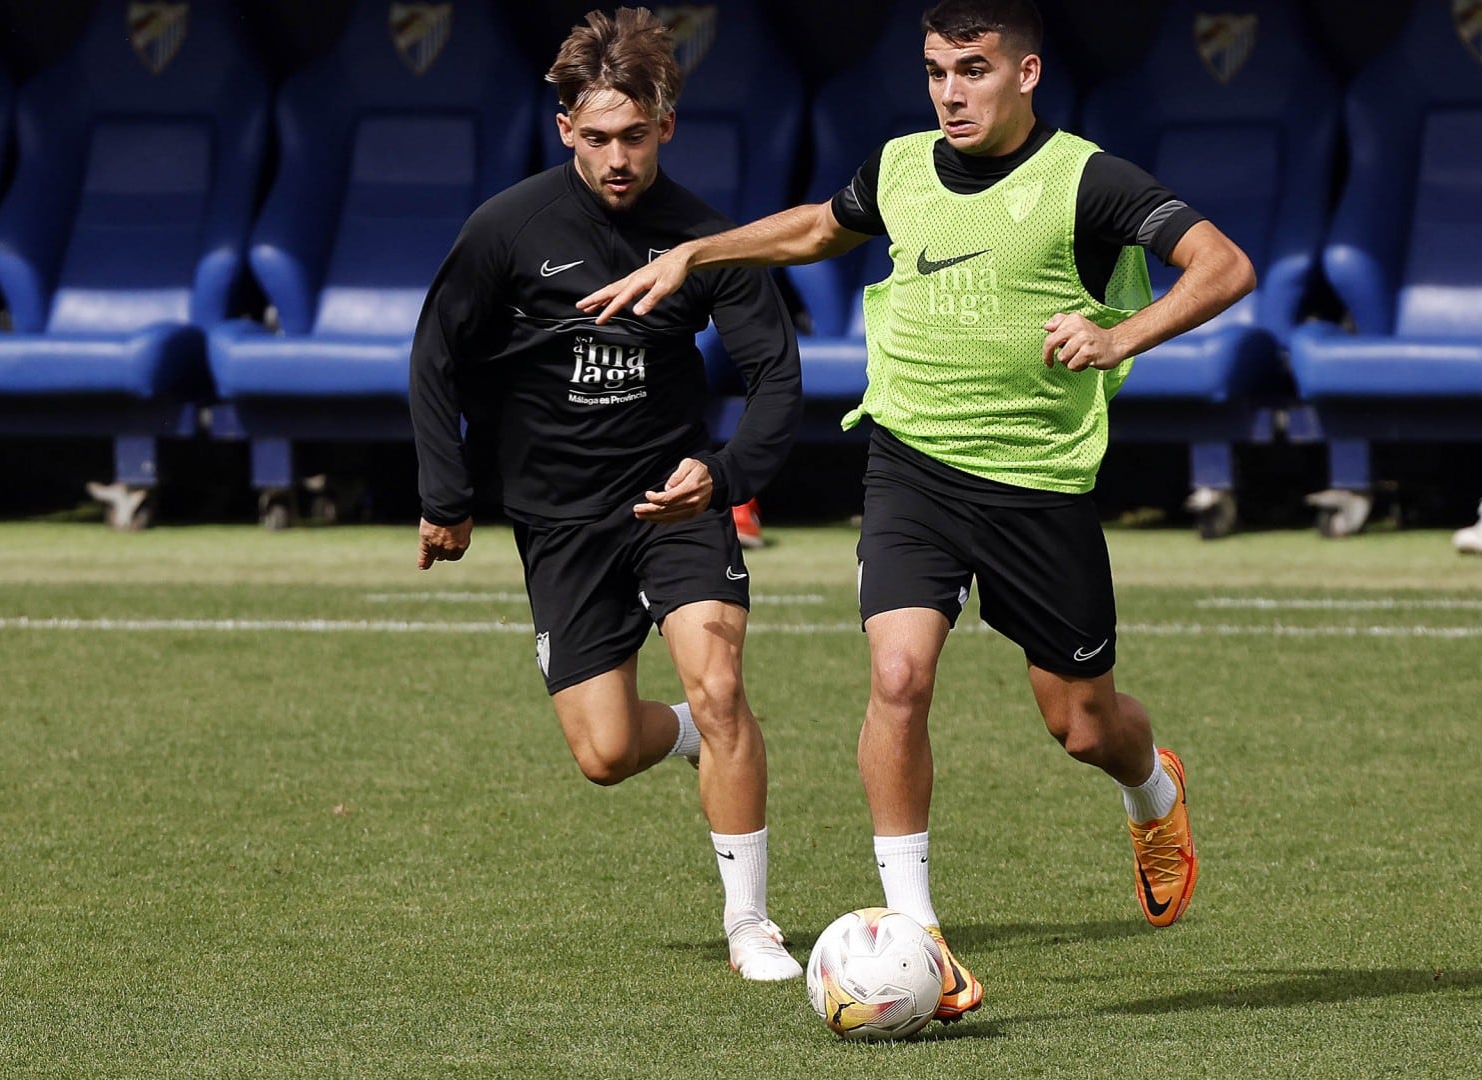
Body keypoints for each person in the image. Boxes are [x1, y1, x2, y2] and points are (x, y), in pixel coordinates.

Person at [580, 0, 1255, 1019]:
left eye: (974, 70)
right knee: (897, 676)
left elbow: (1226, 265)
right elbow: (818, 226)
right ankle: (921, 937)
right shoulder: (900, 167)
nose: (951, 91)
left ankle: (1152, 788)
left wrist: (1124, 338)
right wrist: (696, 254)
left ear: (1025, 74)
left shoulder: (1089, 179)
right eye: (938, 70)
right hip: (912, 466)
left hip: (1037, 484)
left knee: (1081, 725)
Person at [409, 8, 805, 981]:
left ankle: (750, 923)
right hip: (559, 520)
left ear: (667, 126)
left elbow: (777, 378)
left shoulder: (707, 241)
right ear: (565, 133)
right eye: (597, 138)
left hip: (674, 504)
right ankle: (683, 740)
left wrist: (723, 474)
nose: (618, 157)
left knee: (720, 686)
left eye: (635, 135)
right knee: (604, 752)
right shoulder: (508, 229)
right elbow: (436, 356)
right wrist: (447, 493)